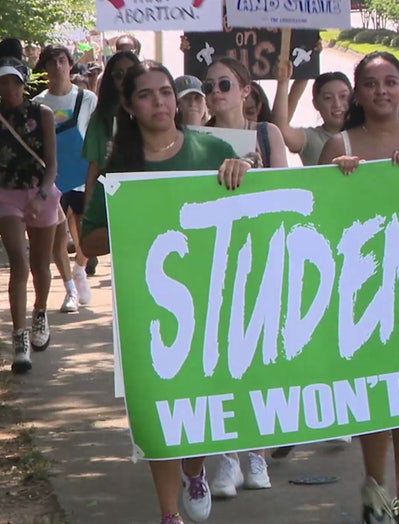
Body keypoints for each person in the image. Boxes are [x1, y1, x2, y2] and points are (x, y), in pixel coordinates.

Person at [81, 60, 255, 524]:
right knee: (157, 404)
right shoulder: (120, 167)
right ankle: (167, 514)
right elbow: (89, 240)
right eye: (147, 94)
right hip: (148, 303)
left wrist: (244, 166)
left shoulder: (209, 147)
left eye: (165, 92)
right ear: (130, 106)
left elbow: (255, 197)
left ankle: (195, 469)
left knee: (196, 397)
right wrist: (134, 220)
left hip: (210, 295)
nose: (160, 101)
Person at [318, 51, 399, 524]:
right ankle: (374, 489)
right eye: (371, 84)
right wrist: (344, 182)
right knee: (375, 395)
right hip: (363, 287)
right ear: (358, 94)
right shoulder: (339, 145)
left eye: (391, 82)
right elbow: (323, 220)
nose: (382, 91)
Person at [200, 56, 287, 499]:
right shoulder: (197, 139)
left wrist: (254, 166)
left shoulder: (267, 136)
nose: (216, 92)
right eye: (209, 85)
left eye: (224, 84)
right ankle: (227, 456)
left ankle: (257, 453)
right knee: (219, 358)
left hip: (262, 254)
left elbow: (290, 192)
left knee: (258, 359)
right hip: (216, 260)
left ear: (246, 90)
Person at [0, 57, 60, 372]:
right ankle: (19, 337)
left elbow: (52, 164)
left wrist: (42, 194)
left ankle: (40, 313)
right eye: (3, 82)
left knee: (40, 262)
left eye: (14, 81)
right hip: (6, 193)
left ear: (23, 84)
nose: (8, 88)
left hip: (41, 191)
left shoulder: (43, 114)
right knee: (19, 262)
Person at [33, 44, 99, 311]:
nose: (58, 67)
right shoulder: (37, 104)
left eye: (62, 61)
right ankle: (70, 289)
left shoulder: (87, 99)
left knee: (85, 234)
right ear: (45, 68)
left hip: (83, 175)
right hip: (52, 177)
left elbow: (96, 135)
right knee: (58, 235)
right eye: (52, 62)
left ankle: (80, 269)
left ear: (70, 64)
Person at [82, 50, 140, 211]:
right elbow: (93, 168)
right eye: (119, 74)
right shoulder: (100, 118)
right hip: (109, 194)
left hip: (144, 190)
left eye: (132, 72)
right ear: (111, 79)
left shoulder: (151, 112)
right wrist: (87, 210)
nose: (126, 78)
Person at [273, 61, 351, 167]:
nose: (337, 104)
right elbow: (280, 129)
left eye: (343, 96)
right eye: (328, 98)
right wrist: (284, 82)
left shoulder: (367, 131)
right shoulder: (312, 138)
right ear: (316, 104)